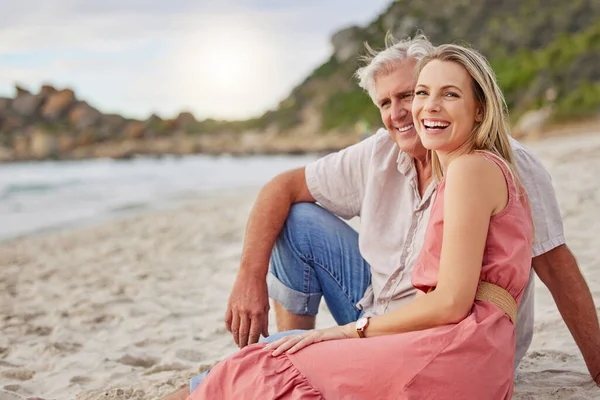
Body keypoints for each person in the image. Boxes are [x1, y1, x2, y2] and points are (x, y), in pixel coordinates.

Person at [165, 33, 600, 400]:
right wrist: (249, 275)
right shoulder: (395, 153)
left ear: (479, 108)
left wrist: (597, 368)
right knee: (296, 229)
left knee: (256, 366)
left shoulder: (490, 166)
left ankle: (301, 358)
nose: (407, 111)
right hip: (393, 315)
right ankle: (303, 352)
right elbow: (281, 186)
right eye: (391, 102)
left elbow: (551, 268)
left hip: (449, 338)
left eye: (414, 94)